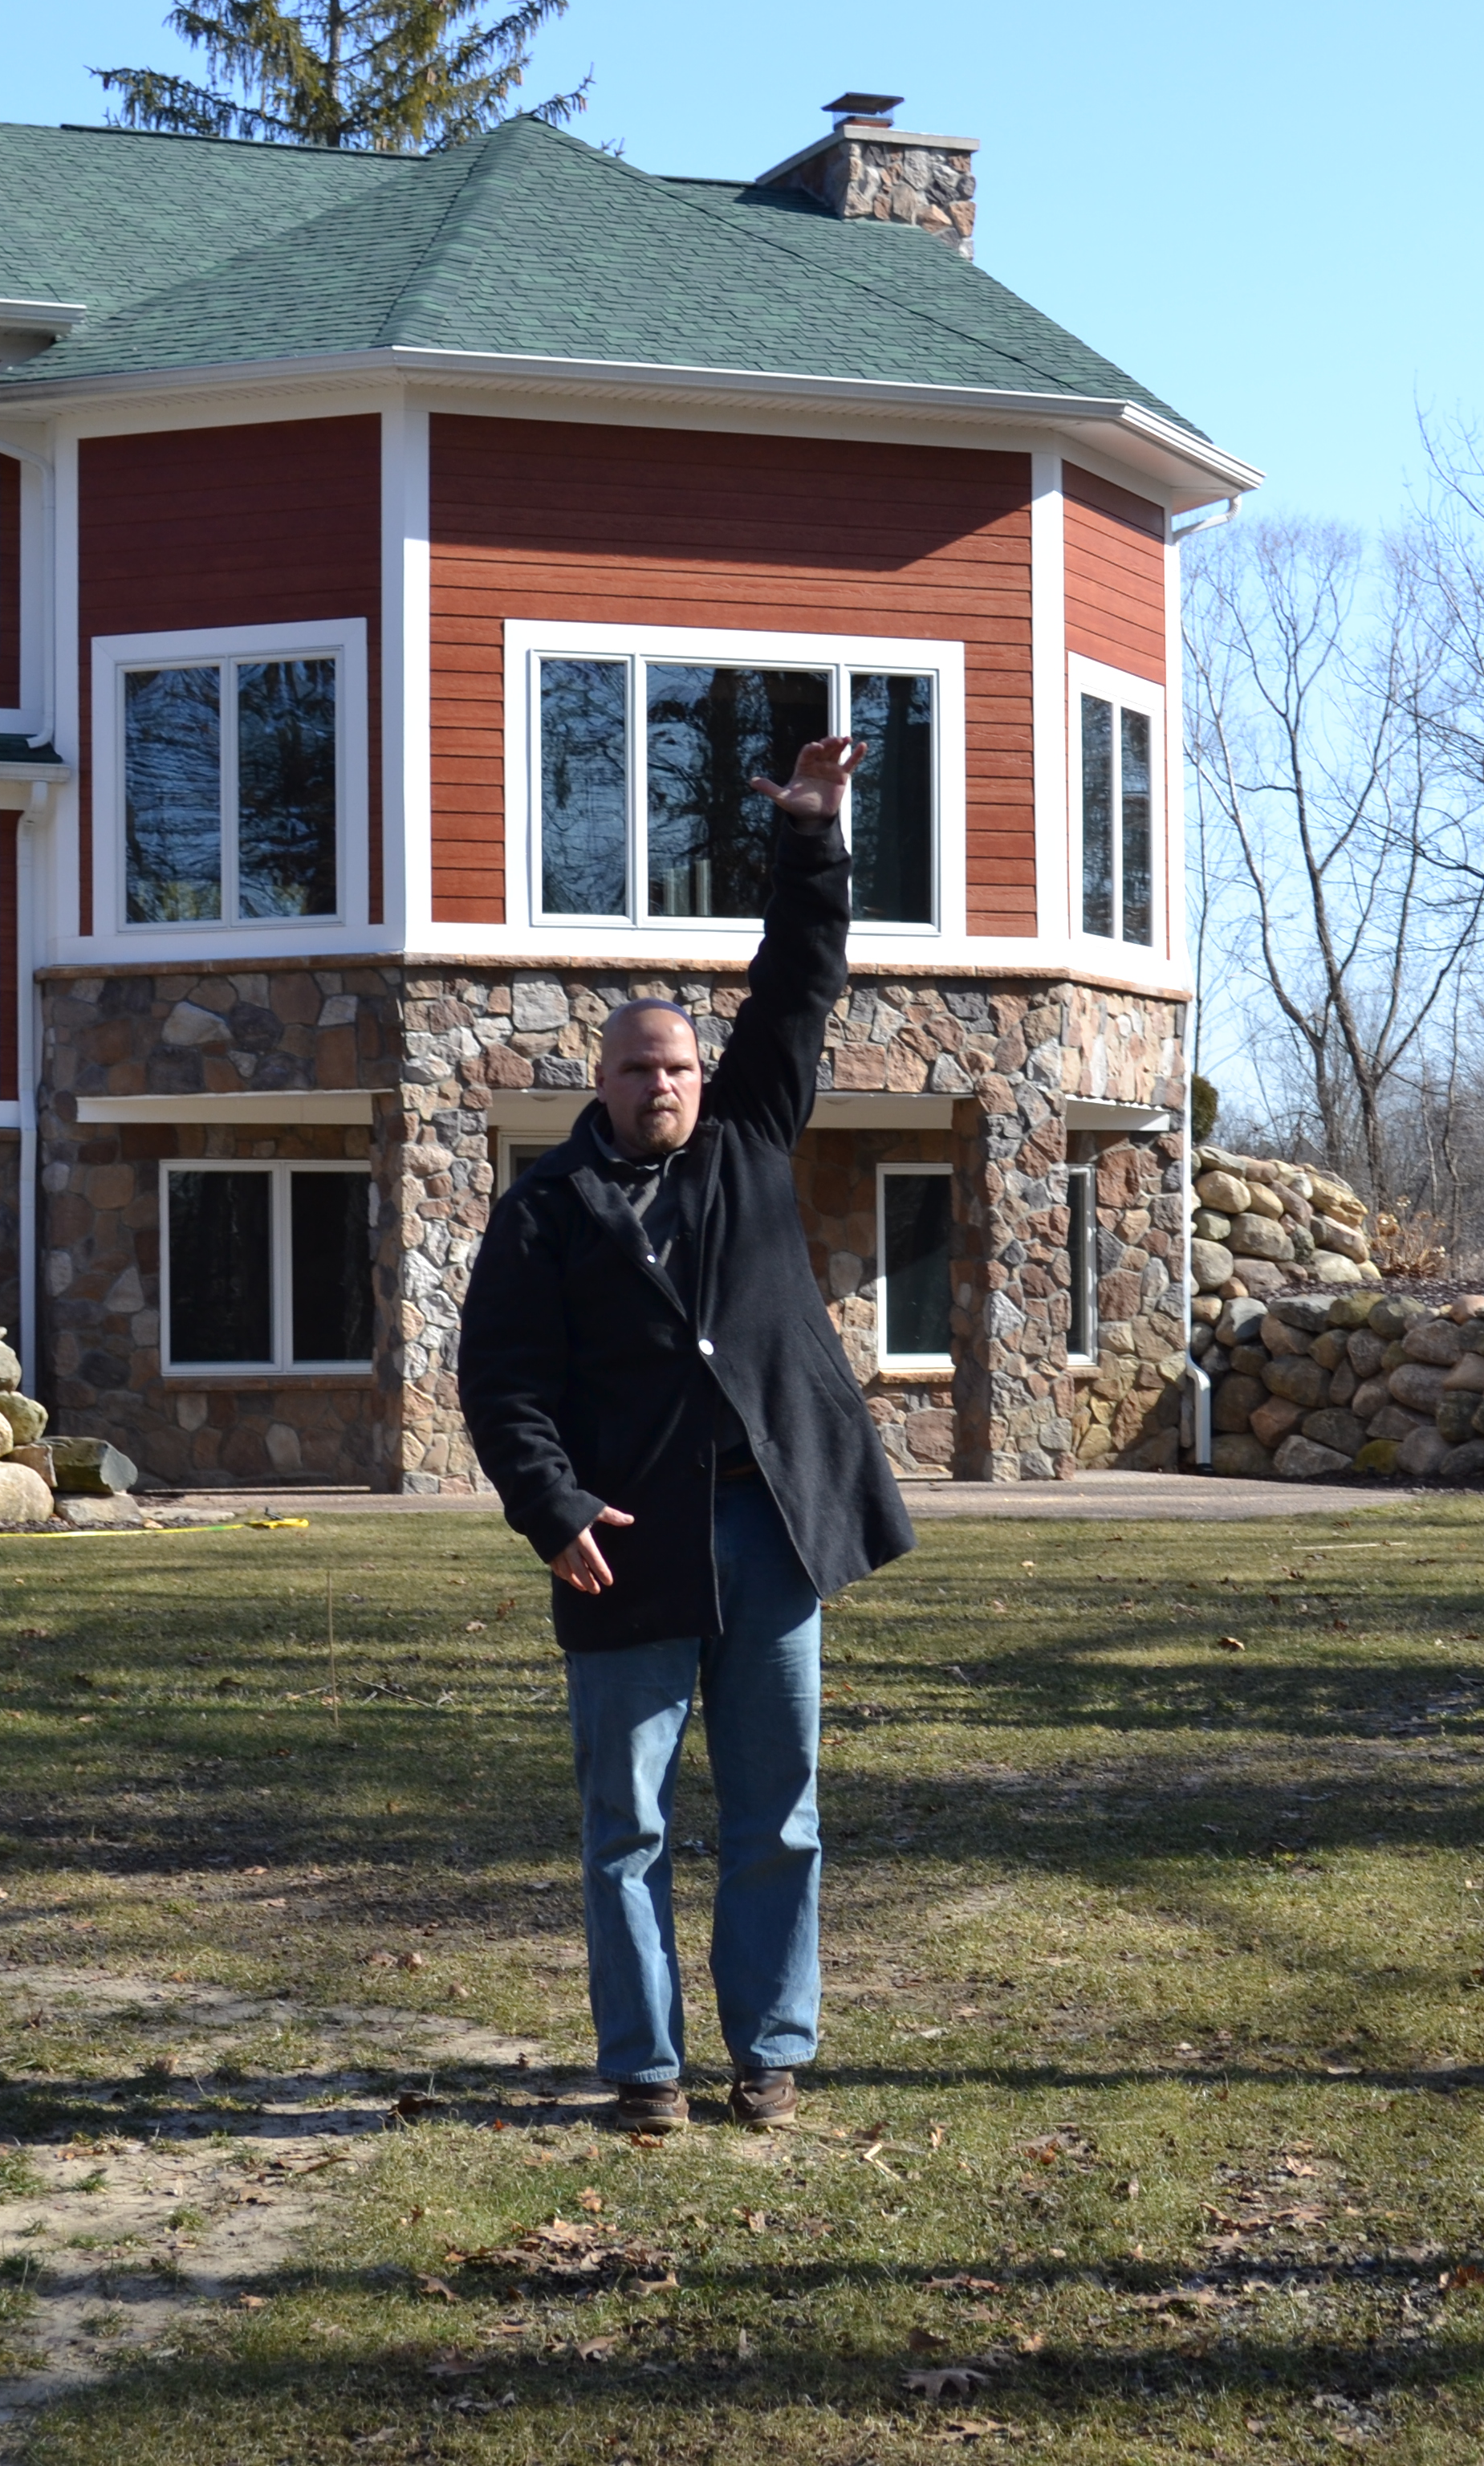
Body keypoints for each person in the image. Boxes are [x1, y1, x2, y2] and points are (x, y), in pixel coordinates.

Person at [460, 734, 919, 2134]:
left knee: (781, 1814)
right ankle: (645, 2071)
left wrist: (814, 839)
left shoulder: (751, 1138)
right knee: (629, 1832)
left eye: (676, 1066)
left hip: (771, 1529)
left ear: (703, 1081)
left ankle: (771, 2053)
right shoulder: (542, 1213)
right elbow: (503, 1385)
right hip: (627, 1546)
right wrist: (554, 1511)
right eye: (634, 1068)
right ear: (596, 1083)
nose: (660, 1085)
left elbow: (800, 980)